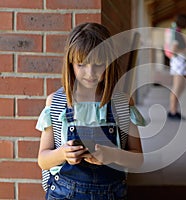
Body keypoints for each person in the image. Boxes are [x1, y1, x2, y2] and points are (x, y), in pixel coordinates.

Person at [36, 23, 146, 200]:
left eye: (99, 65)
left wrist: (113, 155)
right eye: (81, 65)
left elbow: (138, 160)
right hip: (63, 193)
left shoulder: (122, 103)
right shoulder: (57, 102)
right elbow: (43, 160)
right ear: (70, 64)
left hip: (111, 193)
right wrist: (62, 154)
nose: (90, 73)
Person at [166, 13, 186, 120]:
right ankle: (172, 111)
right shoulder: (176, 32)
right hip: (178, 62)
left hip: (178, 62)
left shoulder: (175, 31)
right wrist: (185, 50)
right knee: (177, 87)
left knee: (180, 86)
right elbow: (174, 49)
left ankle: (174, 110)